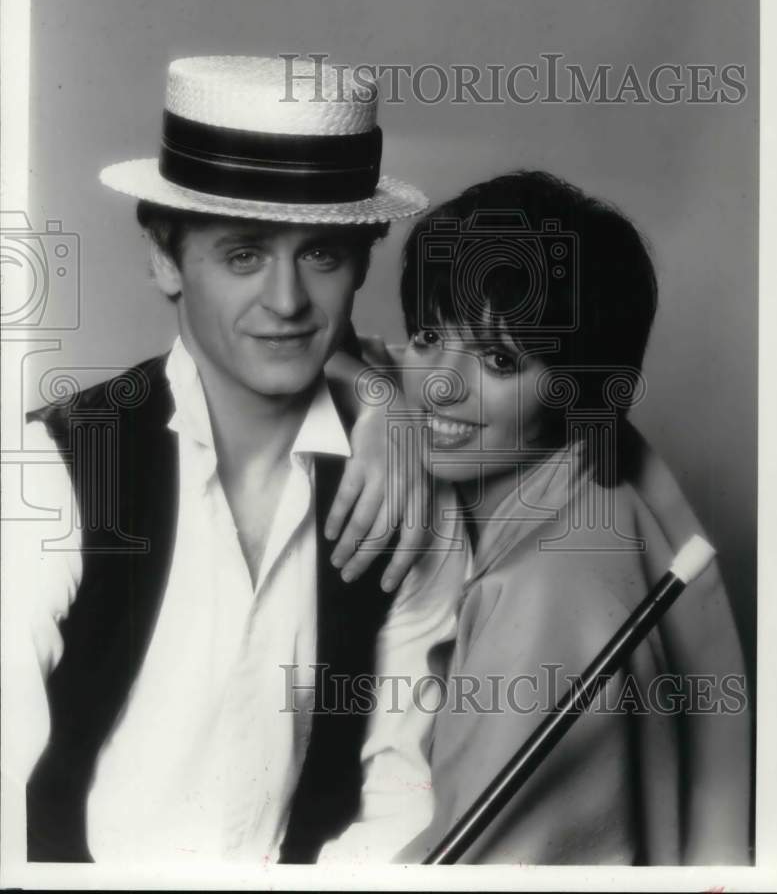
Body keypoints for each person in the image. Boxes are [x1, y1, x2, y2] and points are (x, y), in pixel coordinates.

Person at [13, 55, 467, 865]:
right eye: (243, 256)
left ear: (363, 259)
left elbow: (400, 793)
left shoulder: (408, 490)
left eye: (321, 255)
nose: (288, 301)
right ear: (164, 259)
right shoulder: (52, 472)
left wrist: (389, 401)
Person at [373, 169, 749, 864]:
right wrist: (373, 405)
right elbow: (365, 360)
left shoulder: (546, 595)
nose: (441, 385)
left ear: (573, 385)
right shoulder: (603, 493)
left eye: (498, 359)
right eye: (428, 335)